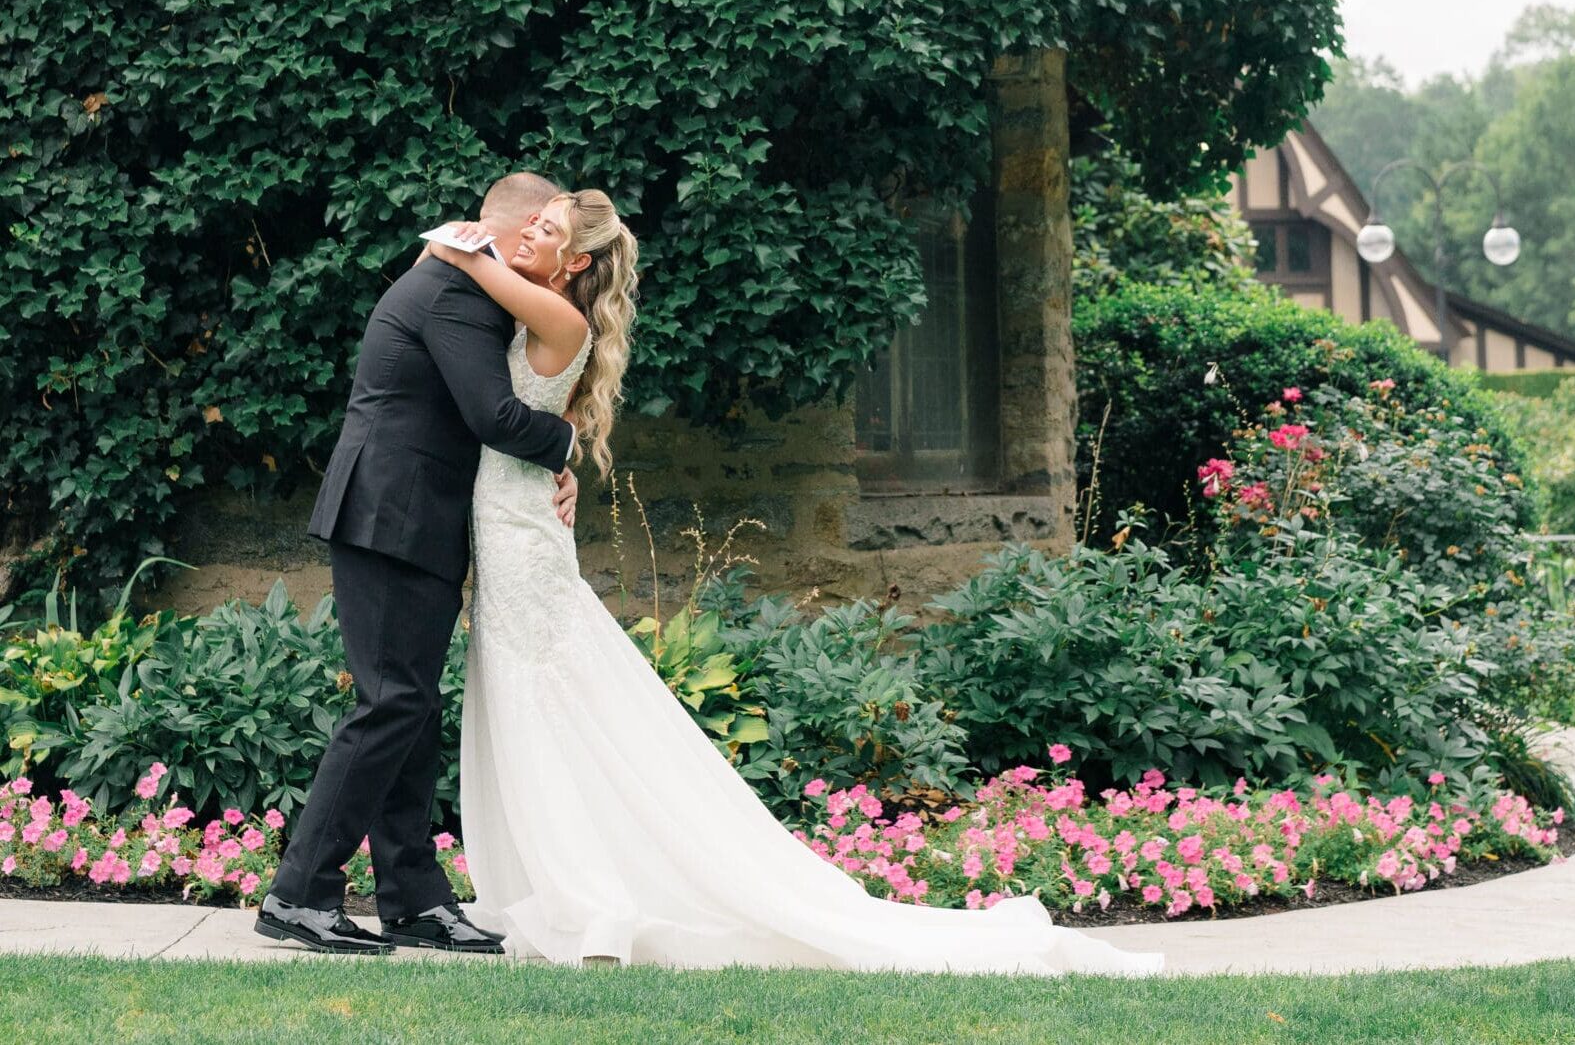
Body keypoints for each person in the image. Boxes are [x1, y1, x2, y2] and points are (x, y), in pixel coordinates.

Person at [433, 188, 1163, 977]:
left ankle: (585, 890)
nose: (531, 234)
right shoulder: (544, 307)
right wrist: (563, 451)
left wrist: (454, 241)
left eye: (549, 229)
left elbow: (460, 258)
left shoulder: (558, 315)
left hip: (522, 537)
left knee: (543, 692)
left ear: (578, 260)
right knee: (530, 693)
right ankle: (555, 874)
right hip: (512, 521)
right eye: (532, 223)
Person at [255, 173, 578, 956]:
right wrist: (567, 448)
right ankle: (299, 894)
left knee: (411, 707)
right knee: (391, 702)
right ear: (525, 223)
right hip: (390, 516)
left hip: (411, 519)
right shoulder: (455, 292)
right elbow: (492, 416)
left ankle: (414, 900)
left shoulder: (458, 278)